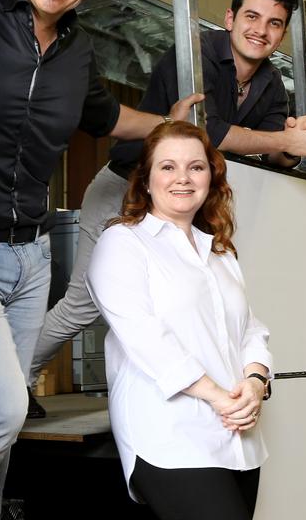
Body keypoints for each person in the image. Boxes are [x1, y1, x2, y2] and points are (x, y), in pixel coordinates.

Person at [0, 0, 201, 511]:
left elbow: (107, 117)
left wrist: (169, 124)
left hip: (32, 258)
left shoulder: (77, 53)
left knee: (3, 414)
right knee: (3, 410)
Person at [30, 0, 306, 386]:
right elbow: (208, 131)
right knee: (83, 302)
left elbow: (276, 152)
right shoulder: (196, 54)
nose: (261, 30)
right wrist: (284, 139)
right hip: (125, 186)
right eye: (252, 17)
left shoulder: (271, 82)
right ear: (230, 18)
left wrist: (303, 143)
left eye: (274, 23)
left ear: (282, 34)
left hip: (181, 206)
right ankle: (18, 380)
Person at [88, 120, 272, 520]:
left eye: (196, 167)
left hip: (237, 438)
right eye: (168, 167)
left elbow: (250, 330)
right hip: (169, 435)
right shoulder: (123, 243)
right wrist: (219, 396)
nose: (183, 178)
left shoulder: (220, 253)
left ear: (211, 177)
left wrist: (256, 384)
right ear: (147, 179)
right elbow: (145, 338)